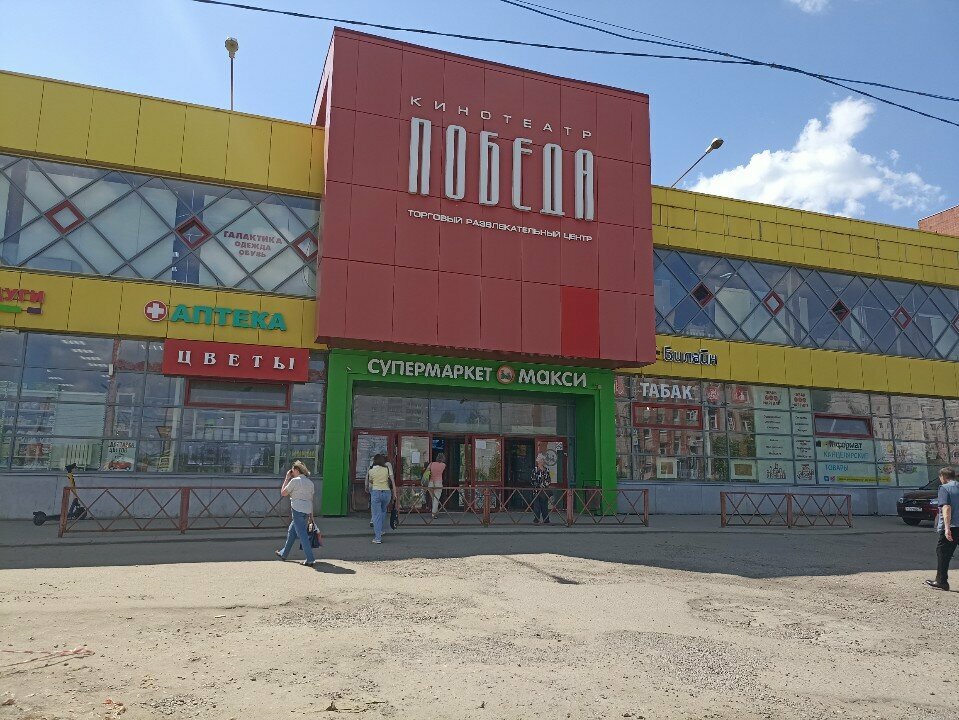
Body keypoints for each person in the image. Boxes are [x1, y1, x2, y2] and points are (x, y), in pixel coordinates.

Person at [275, 460, 316, 566]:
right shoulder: (310, 483)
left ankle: (310, 559)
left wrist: (287, 478)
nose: (292, 473)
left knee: (302, 534)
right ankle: (284, 553)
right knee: (292, 531)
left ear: (297, 470)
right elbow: (311, 500)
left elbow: (283, 493)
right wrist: (311, 516)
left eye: (293, 470)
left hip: (297, 509)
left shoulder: (294, 481)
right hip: (306, 510)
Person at [925, 466, 958, 591]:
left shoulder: (944, 488)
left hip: (953, 526)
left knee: (942, 552)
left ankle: (941, 581)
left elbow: (946, 508)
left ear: (942, 477)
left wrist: (947, 528)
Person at [367, 454, 396, 544]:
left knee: (376, 516)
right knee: (383, 511)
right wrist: (395, 493)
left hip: (376, 492)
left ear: (374, 461)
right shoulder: (386, 469)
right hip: (387, 493)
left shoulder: (371, 471)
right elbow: (392, 481)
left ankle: (377, 538)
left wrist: (370, 490)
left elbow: (371, 483)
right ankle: (380, 530)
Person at [530, 453, 552, 525]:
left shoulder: (547, 470)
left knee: (544, 506)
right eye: (540, 460)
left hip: (544, 491)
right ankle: (536, 520)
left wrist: (544, 485)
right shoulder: (535, 470)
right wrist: (539, 485)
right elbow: (533, 480)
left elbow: (549, 479)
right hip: (536, 491)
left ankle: (546, 520)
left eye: (542, 460)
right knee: (537, 506)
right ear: (538, 461)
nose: (542, 461)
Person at [426, 452, 447, 519]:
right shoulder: (443, 465)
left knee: (433, 498)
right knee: (436, 499)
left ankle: (435, 511)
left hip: (430, 483)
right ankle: (433, 514)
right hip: (438, 483)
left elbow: (427, 471)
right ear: (443, 458)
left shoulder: (431, 464)